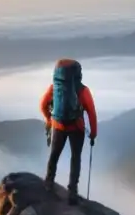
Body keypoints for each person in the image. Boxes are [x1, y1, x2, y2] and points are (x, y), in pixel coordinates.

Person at [39, 58, 97, 205]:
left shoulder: (55, 88)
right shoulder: (83, 91)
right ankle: (72, 192)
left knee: (54, 154)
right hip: (76, 128)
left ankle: (48, 182)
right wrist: (93, 133)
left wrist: (48, 119)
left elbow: (43, 105)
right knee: (75, 158)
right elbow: (91, 113)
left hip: (58, 127)